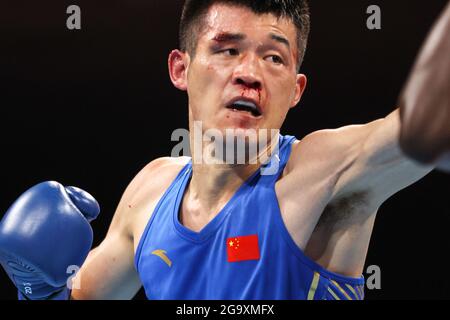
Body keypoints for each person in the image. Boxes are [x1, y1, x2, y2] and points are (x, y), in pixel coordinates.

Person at [0, 0, 449, 300]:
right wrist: (37, 286)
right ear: (181, 68)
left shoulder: (320, 172)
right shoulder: (151, 191)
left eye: (274, 57)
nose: (250, 73)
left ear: (296, 89)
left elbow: (423, 127)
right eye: (227, 50)